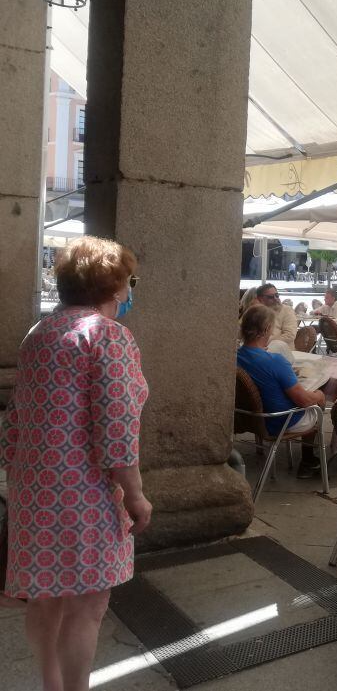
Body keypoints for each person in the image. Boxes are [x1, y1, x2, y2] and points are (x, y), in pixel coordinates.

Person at [2, 236, 152, 691]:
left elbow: (15, 417)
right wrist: (137, 495)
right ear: (113, 285)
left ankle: (51, 684)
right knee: (87, 606)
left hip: (33, 485)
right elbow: (118, 427)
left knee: (45, 597)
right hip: (85, 492)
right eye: (128, 282)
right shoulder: (109, 336)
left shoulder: (39, 332)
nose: (129, 291)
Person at [237, 305, 326, 479]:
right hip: (280, 420)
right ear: (266, 329)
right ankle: (308, 460)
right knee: (317, 402)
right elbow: (304, 401)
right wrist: (320, 397)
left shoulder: (236, 357)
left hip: (249, 418)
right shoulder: (274, 360)